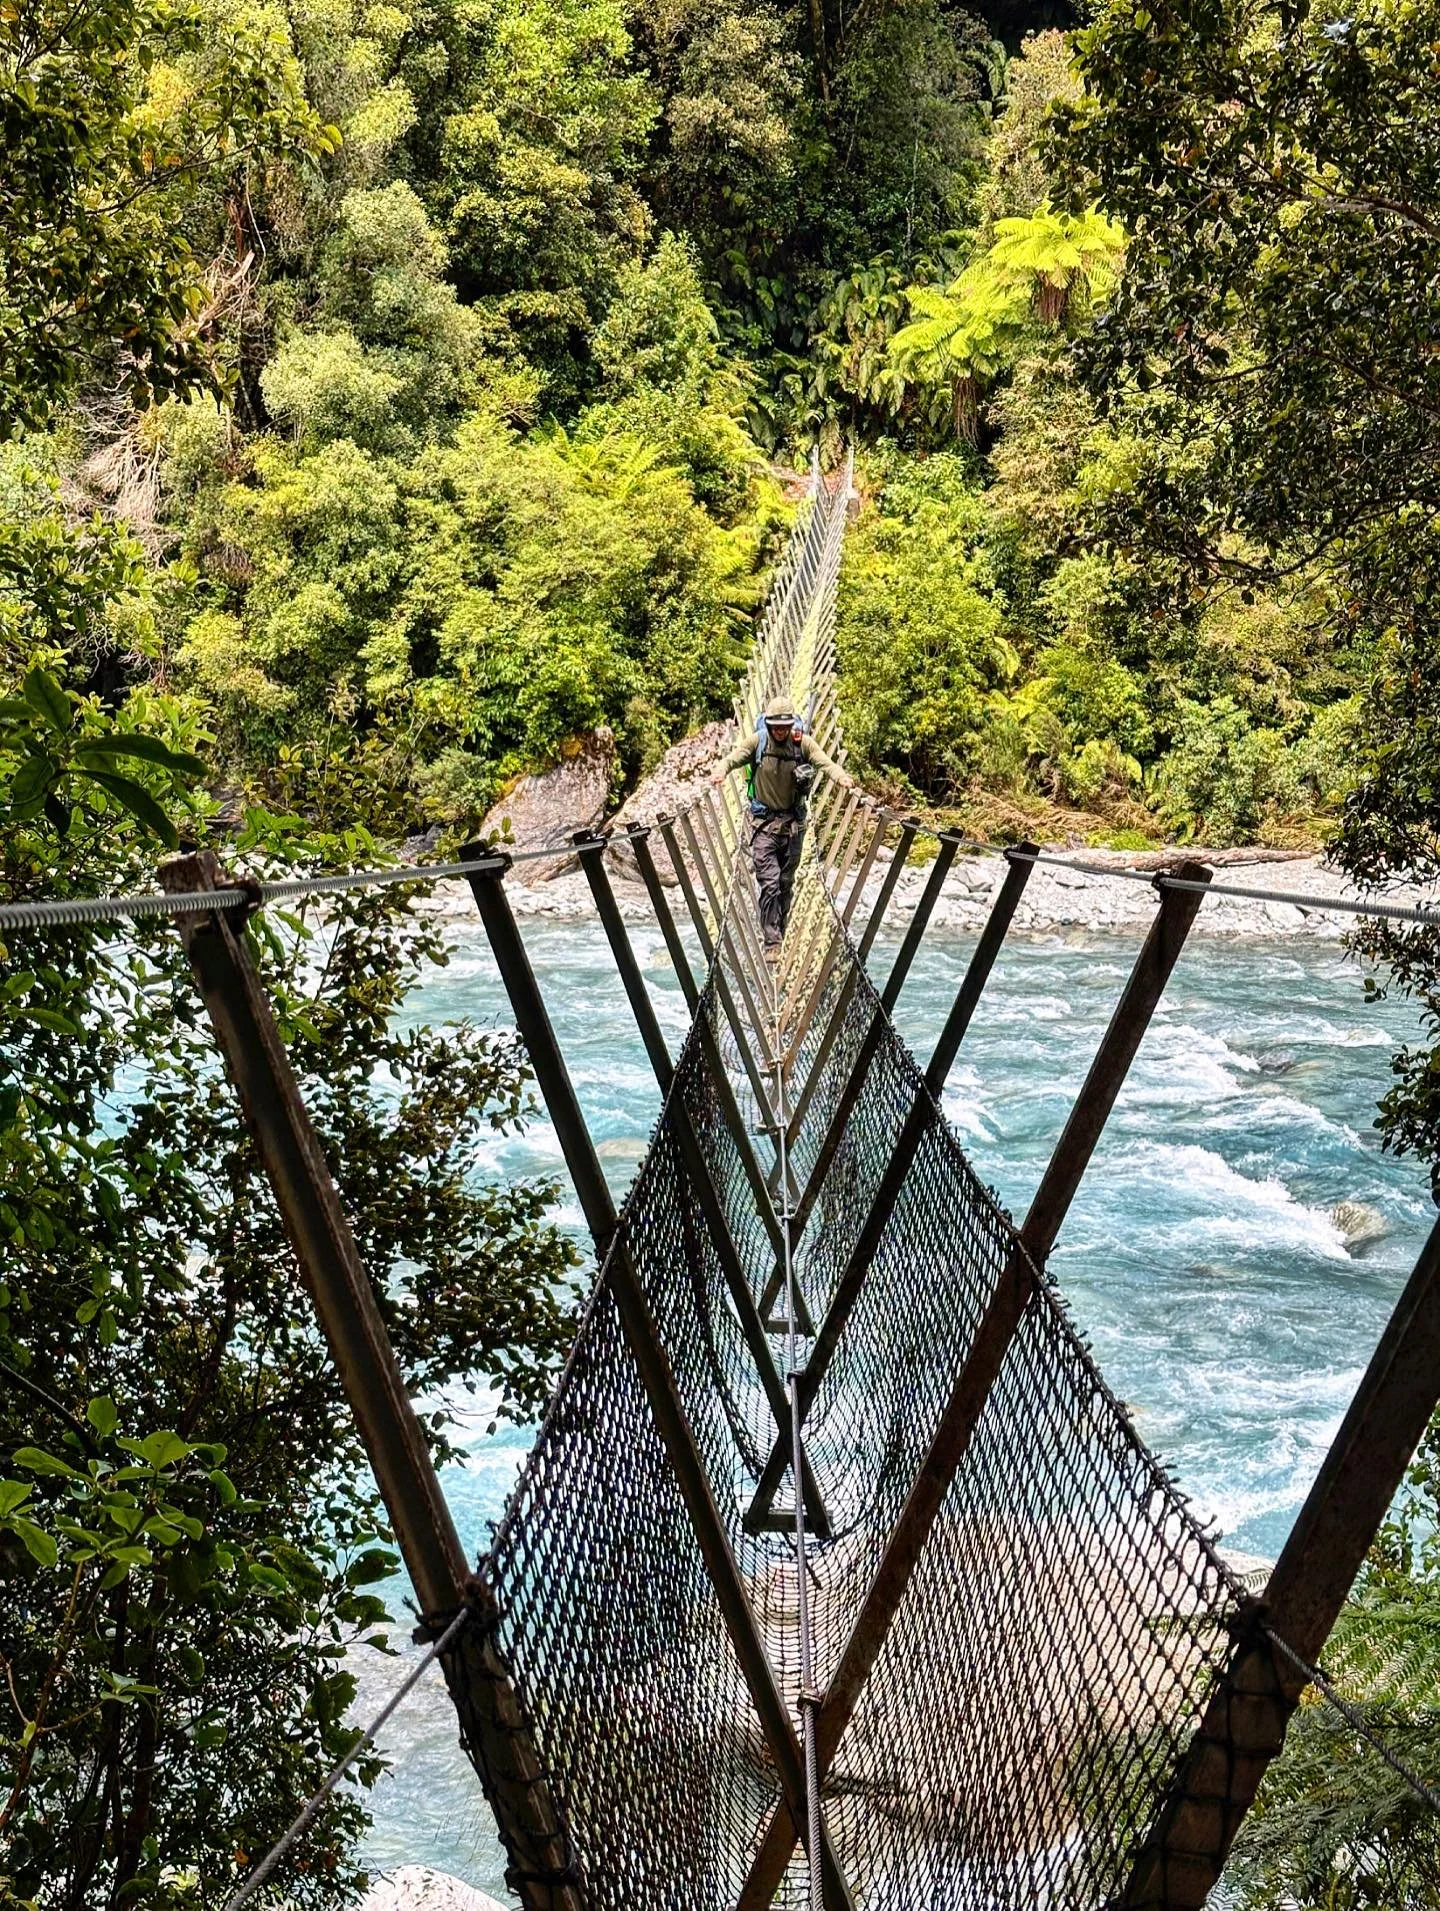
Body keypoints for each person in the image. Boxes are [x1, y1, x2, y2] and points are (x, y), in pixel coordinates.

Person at [712, 696, 856, 956]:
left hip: (792, 827)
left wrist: (842, 777)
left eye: (785, 726)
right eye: (775, 726)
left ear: (791, 725)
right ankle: (772, 943)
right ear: (767, 725)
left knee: (786, 883)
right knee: (770, 883)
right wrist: (720, 770)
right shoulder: (757, 742)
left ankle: (780, 927)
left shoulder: (802, 744)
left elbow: (826, 763)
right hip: (763, 825)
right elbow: (732, 759)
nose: (780, 731)